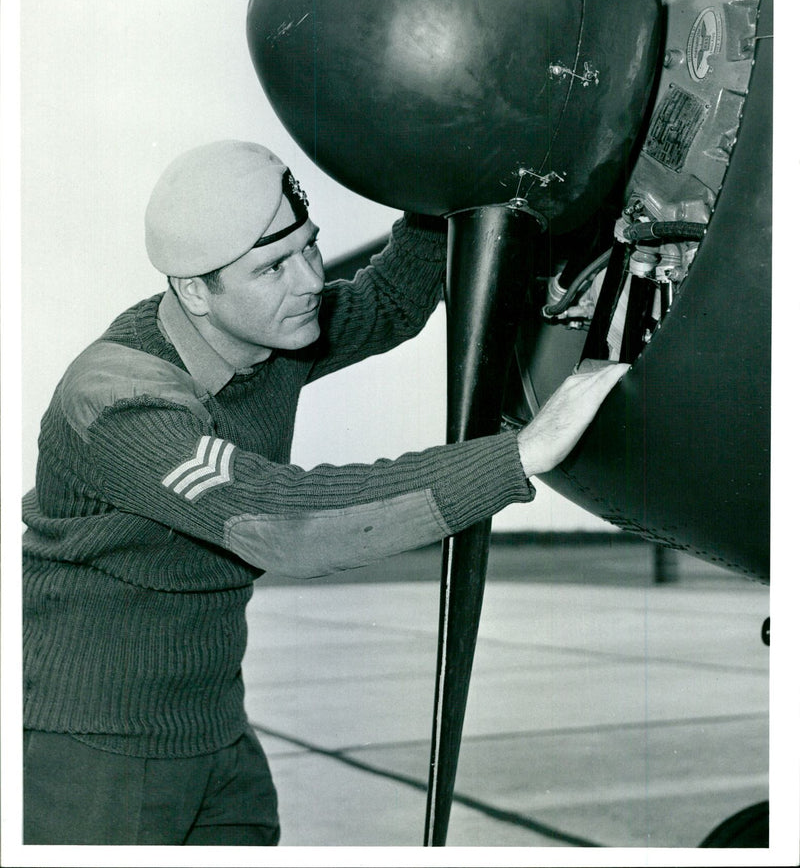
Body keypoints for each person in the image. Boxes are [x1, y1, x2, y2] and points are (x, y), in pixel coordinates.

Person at [22, 139, 627, 845]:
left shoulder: (268, 334)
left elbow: (390, 300)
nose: (308, 279)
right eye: (274, 267)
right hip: (93, 744)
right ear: (194, 291)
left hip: (214, 728)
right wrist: (516, 456)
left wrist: (459, 158)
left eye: (310, 247)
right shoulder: (120, 398)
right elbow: (278, 520)